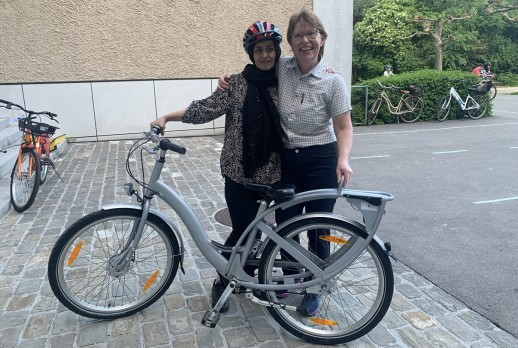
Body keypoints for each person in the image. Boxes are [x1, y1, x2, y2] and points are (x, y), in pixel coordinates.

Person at [218, 9, 354, 316]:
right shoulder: (283, 67)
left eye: (311, 34)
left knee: (319, 227)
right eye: (297, 35)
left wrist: (343, 160)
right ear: (290, 43)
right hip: (288, 160)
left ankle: (315, 286)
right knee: (287, 226)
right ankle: (292, 280)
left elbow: (344, 127)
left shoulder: (334, 82)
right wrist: (225, 79)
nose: (305, 40)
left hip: (322, 159)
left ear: (322, 39)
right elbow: (256, 65)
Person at [151, 21, 284, 313]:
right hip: (238, 172)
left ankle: (263, 280)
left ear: (277, 51)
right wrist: (167, 117)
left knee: (273, 233)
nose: (265, 56)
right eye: (259, 50)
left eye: (270, 49)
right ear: (251, 54)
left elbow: (313, 80)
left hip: (275, 173)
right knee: (243, 230)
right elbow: (204, 109)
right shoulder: (236, 83)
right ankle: (223, 281)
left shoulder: (286, 82)